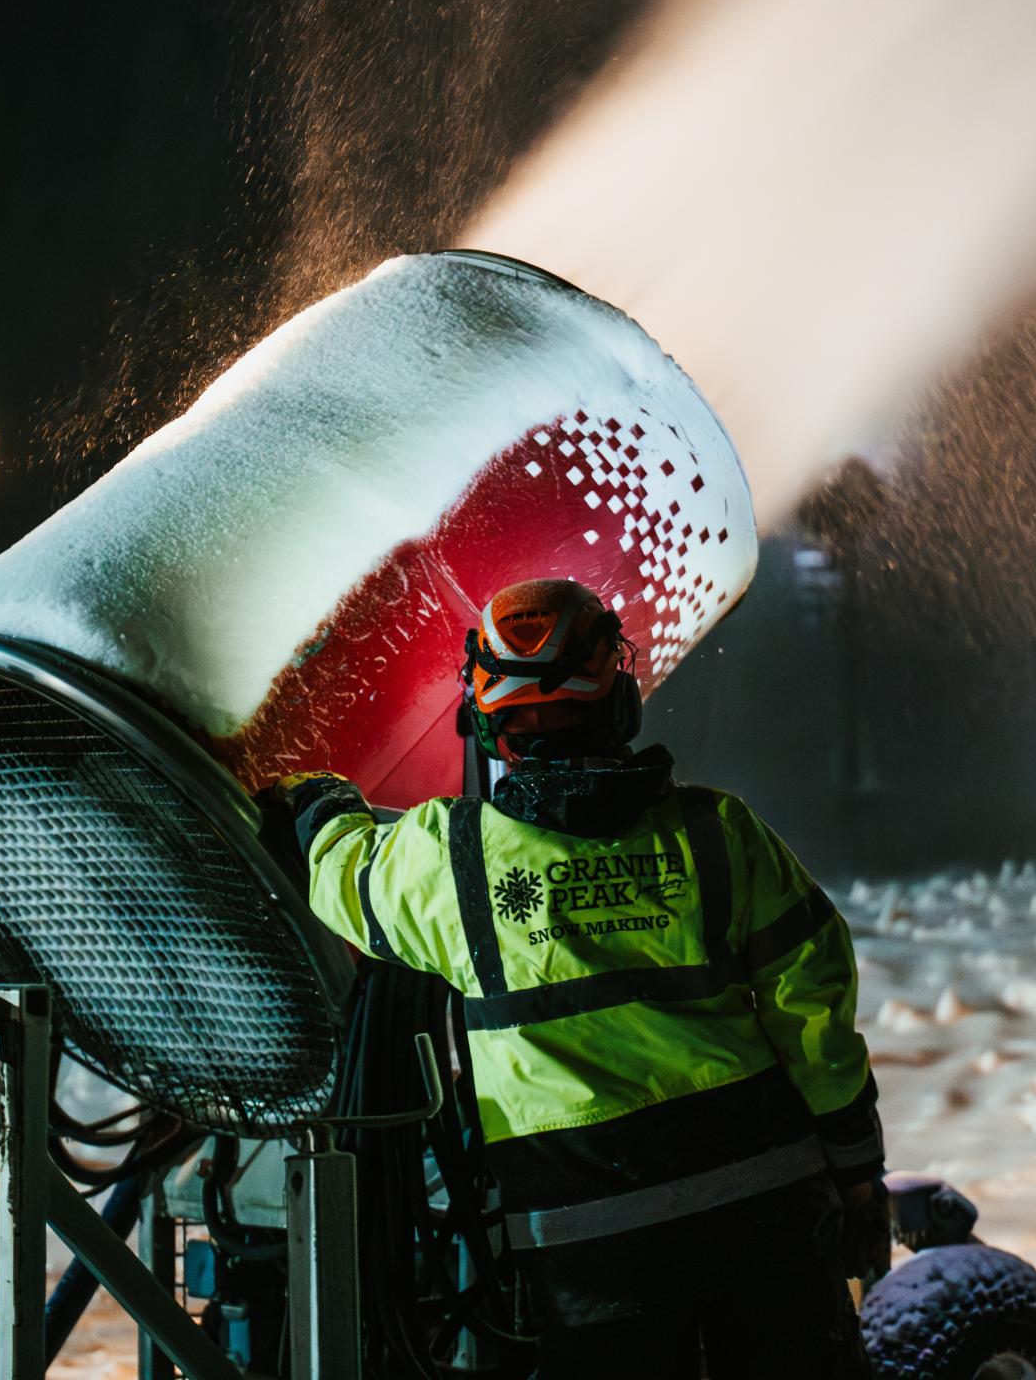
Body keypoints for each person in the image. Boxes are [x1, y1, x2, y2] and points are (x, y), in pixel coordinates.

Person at [276, 576, 889, 1377]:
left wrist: (318, 806)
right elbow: (816, 1020)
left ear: (489, 726)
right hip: (767, 1211)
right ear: (620, 703)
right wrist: (857, 1176)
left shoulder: (451, 861)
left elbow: (344, 880)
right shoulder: (719, 835)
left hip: (587, 1246)